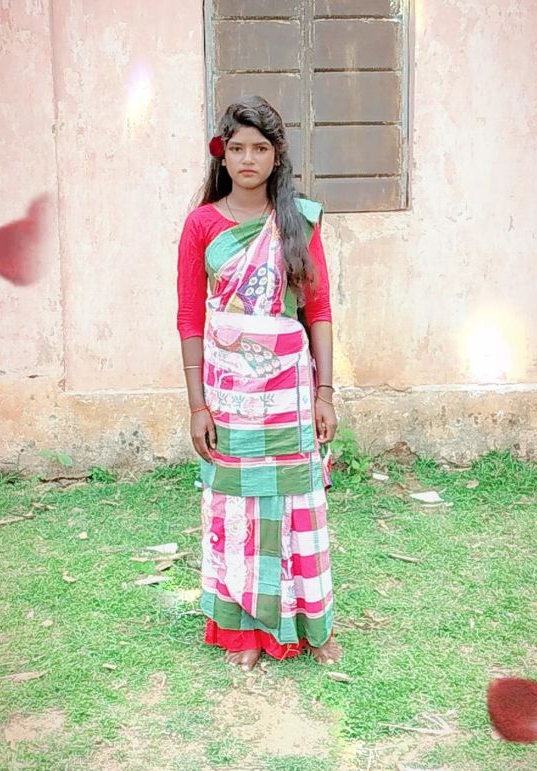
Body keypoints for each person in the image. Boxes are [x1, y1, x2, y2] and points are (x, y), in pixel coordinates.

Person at [176, 95, 342, 671]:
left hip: (290, 392)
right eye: (238, 147)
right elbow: (189, 318)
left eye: (261, 148)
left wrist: (325, 393)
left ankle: (312, 625)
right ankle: (244, 629)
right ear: (221, 154)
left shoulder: (298, 221)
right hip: (228, 395)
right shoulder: (202, 225)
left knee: (298, 504)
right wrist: (197, 406)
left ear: (277, 155)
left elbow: (318, 309)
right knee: (237, 508)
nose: (248, 159)